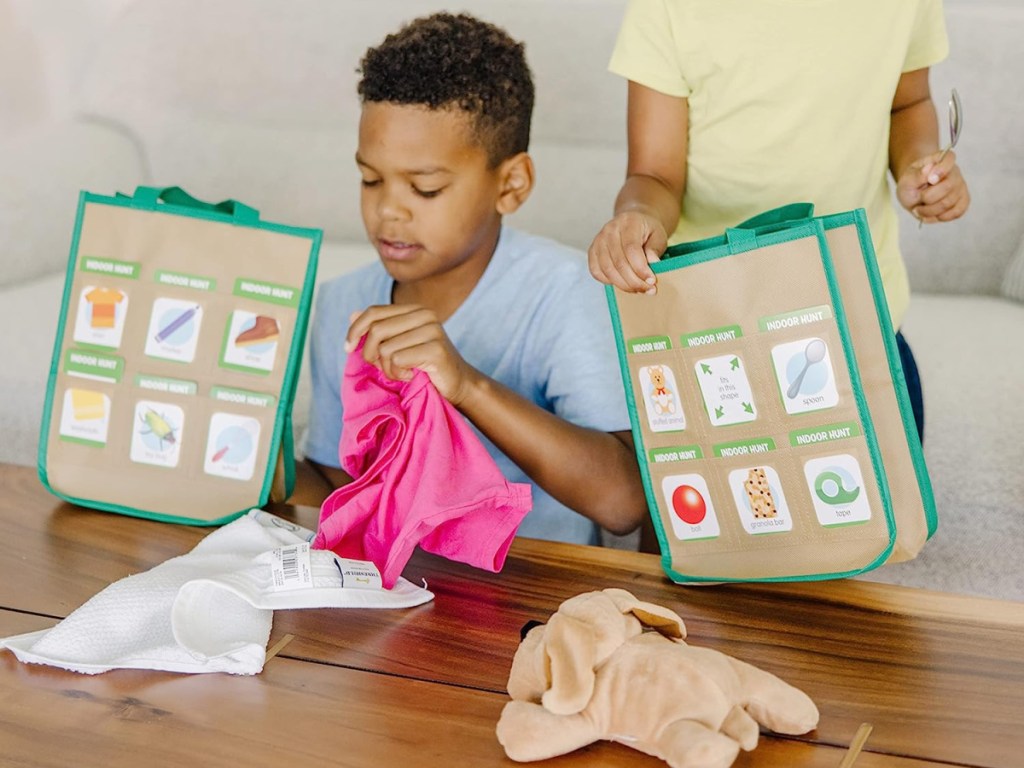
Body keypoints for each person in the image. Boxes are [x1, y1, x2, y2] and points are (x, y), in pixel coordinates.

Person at [301, 12, 647, 545]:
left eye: (426, 188)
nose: (389, 211)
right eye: (371, 180)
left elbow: (624, 503)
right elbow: (338, 484)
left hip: (537, 600)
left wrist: (466, 384)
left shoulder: (565, 292)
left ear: (510, 184)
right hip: (395, 593)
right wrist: (258, 458)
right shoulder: (339, 304)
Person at [587, 0, 971, 441]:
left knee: (895, 508)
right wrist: (639, 216)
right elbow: (655, 175)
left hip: (860, 314)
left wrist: (917, 167)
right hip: (716, 329)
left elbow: (908, 103)